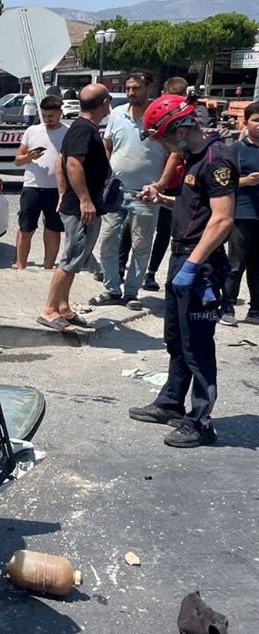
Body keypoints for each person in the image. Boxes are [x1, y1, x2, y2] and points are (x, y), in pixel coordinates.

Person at [131, 94, 239, 448]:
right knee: (176, 339)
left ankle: (201, 422)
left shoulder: (216, 159)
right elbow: (197, 208)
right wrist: (161, 199)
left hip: (200, 263)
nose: (163, 146)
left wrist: (193, 265)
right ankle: (170, 403)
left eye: (163, 137)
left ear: (179, 128)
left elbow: (222, 219)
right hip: (183, 258)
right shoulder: (194, 158)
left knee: (197, 345)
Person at [36, 84, 112, 333]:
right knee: (70, 259)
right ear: (104, 103)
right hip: (81, 209)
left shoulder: (84, 128)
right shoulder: (83, 129)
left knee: (77, 259)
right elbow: (72, 164)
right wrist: (84, 200)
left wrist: (65, 194)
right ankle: (49, 310)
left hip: (83, 206)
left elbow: (60, 160)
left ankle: (63, 307)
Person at [90, 71, 164, 311]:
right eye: (129, 88)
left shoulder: (159, 116)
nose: (131, 92)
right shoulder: (117, 114)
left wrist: (160, 184)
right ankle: (112, 289)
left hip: (146, 194)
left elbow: (174, 152)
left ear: (149, 89)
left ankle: (132, 292)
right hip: (116, 191)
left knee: (141, 246)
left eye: (137, 88)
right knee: (108, 241)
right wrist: (105, 177)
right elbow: (108, 146)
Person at [141, 76, 193, 293]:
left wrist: (162, 184)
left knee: (164, 231)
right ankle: (124, 268)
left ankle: (151, 273)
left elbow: (174, 154)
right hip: (154, 181)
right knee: (137, 228)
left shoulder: (187, 120)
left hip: (171, 182)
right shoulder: (157, 112)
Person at [12, 95, 66, 269]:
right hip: (32, 186)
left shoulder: (68, 132)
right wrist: (29, 156)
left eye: (51, 116)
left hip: (56, 188)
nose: (48, 120)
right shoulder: (32, 131)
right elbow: (18, 160)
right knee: (26, 227)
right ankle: (20, 265)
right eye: (44, 116)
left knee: (53, 228)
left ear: (59, 112)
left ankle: (48, 266)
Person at [220, 101, 259, 325]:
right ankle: (227, 307)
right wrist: (245, 181)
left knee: (257, 267)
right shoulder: (235, 150)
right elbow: (222, 182)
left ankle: (255, 311)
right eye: (256, 120)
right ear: (247, 122)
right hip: (243, 214)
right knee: (236, 263)